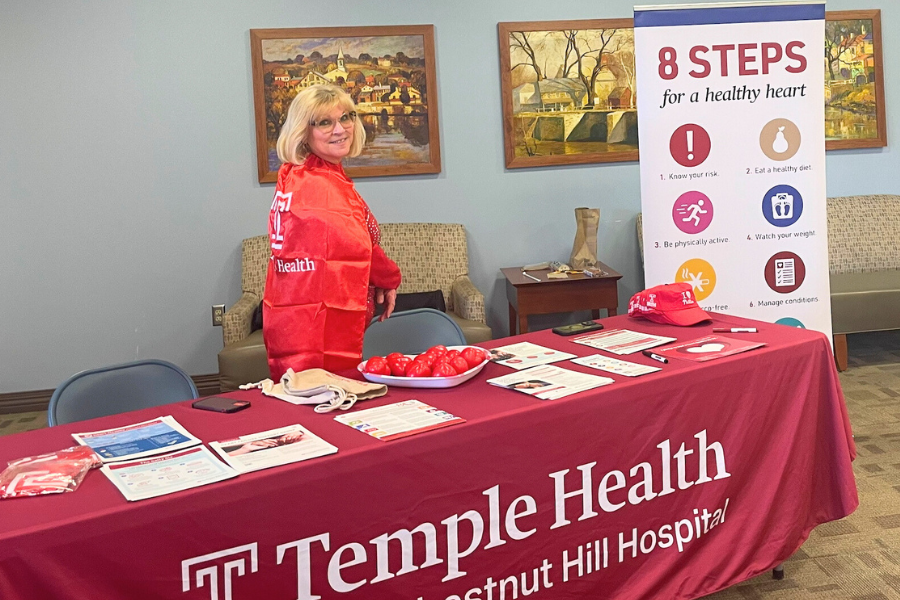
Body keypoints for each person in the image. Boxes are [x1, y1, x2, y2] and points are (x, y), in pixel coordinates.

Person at [263, 84, 401, 380]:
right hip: (315, 324)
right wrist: (390, 277)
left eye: (347, 117)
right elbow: (354, 246)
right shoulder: (318, 184)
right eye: (325, 122)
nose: (341, 129)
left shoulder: (295, 175)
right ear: (304, 131)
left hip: (299, 317)